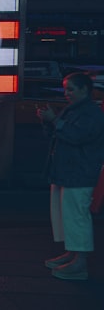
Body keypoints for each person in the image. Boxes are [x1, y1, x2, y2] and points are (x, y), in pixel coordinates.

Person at [36, 71, 104, 281]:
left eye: (71, 89)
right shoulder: (80, 110)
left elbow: (76, 136)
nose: (67, 93)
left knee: (75, 216)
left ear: (85, 90)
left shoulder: (91, 113)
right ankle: (73, 254)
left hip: (78, 172)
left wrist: (53, 120)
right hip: (69, 171)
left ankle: (79, 262)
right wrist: (49, 121)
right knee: (69, 215)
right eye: (66, 89)